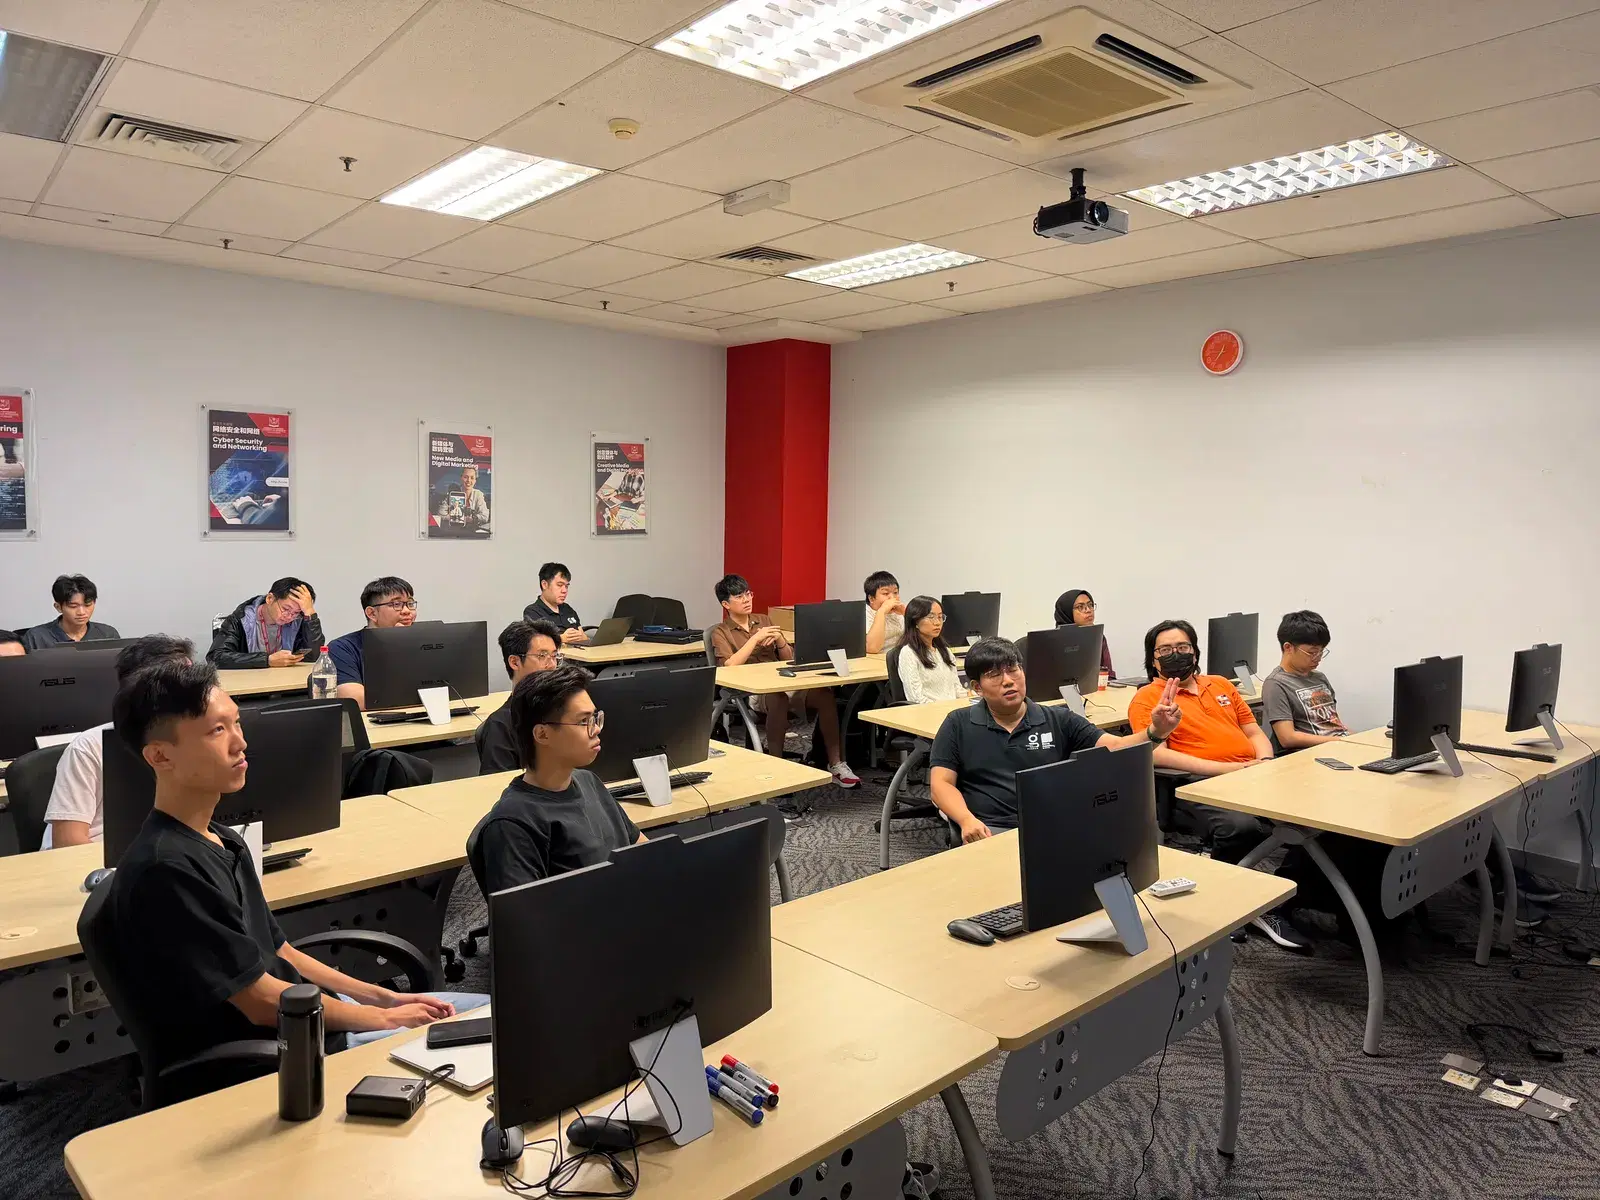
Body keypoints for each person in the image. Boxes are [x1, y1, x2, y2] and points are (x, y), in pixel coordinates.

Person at [96, 659, 484, 1088]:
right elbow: (262, 1002)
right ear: (160, 755)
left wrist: (385, 996)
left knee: (494, 1019)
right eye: (216, 731)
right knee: (493, 1044)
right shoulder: (166, 869)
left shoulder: (223, 839)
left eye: (236, 723)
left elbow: (280, 950)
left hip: (318, 1021)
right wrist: (382, 1018)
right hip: (287, 1054)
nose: (240, 743)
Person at [1128, 619, 1309, 952]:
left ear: (1195, 651)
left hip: (1250, 773)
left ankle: (1276, 893)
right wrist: (1229, 770)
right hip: (1196, 784)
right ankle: (1234, 904)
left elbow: (1255, 732)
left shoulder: (1221, 684)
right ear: (1152, 660)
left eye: (1182, 647)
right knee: (1241, 826)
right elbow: (1158, 756)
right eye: (1164, 650)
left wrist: (1265, 764)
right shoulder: (1147, 699)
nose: (1175, 655)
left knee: (1313, 814)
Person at [930, 636, 1180, 842]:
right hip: (990, 831)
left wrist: (1156, 732)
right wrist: (965, 819)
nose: (1008, 681)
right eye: (994, 675)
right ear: (976, 687)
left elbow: (1115, 747)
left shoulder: (1058, 719)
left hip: (1054, 828)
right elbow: (941, 784)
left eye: (1013, 670)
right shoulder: (958, 723)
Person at [467, 665, 648, 896]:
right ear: (542, 734)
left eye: (595, 718)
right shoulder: (512, 824)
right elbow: (525, 922)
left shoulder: (589, 781)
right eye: (584, 722)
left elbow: (641, 847)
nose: (596, 731)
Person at [42, 635, 195, 850]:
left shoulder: (196, 741)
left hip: (165, 855)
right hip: (95, 861)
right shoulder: (88, 747)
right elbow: (68, 842)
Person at [710, 574, 860, 788]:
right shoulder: (720, 631)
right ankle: (776, 768)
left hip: (783, 681)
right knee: (777, 698)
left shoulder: (763, 620)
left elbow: (789, 659)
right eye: (739, 596)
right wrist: (755, 640)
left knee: (825, 694)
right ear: (726, 603)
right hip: (752, 691)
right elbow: (729, 667)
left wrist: (780, 640)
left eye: (748, 594)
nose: (746, 600)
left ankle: (836, 764)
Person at [475, 619, 564, 774]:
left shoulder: (564, 712)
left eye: (554, 656)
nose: (552, 665)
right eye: (542, 656)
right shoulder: (501, 726)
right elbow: (498, 788)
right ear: (515, 662)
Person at [1262, 610, 1348, 753]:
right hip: (1309, 755)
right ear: (1288, 647)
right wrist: (1339, 742)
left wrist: (1355, 739)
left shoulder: (1319, 678)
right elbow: (1288, 738)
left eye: (1321, 652)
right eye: (1312, 652)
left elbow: (1334, 725)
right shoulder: (1276, 684)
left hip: (1336, 746)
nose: (1318, 658)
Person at [327, 576, 417, 711]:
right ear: (372, 613)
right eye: (396, 604)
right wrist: (425, 699)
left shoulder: (423, 643)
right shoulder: (342, 648)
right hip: (375, 724)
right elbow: (355, 700)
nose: (407, 611)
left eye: (410, 603)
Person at [207, 577, 325, 670]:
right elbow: (216, 657)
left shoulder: (299, 620)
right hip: (249, 687)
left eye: (296, 613)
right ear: (270, 599)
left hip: (286, 683)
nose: (289, 616)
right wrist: (266, 660)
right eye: (286, 609)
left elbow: (313, 656)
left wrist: (310, 613)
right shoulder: (240, 620)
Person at [894, 597, 966, 703]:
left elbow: (957, 690)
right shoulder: (909, 653)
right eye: (931, 617)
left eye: (940, 617)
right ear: (915, 622)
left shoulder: (945, 652)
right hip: (929, 712)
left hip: (951, 711)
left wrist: (973, 696)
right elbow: (916, 698)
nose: (937, 623)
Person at [22, 574, 120, 649]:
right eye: (73, 606)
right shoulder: (36, 637)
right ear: (58, 607)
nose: (81, 612)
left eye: (88, 605)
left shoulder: (108, 635)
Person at [1053, 589, 1114, 679]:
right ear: (1067, 612)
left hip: (1097, 691)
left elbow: (1108, 674)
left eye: (1090, 605)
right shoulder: (1054, 641)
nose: (1088, 610)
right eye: (1080, 607)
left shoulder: (1098, 637)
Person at [523, 562, 587, 645]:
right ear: (544, 585)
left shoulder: (568, 609)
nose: (564, 590)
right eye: (559, 585)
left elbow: (582, 635)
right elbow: (534, 644)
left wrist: (583, 638)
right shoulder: (532, 611)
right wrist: (560, 639)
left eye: (566, 586)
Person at [435, 464, 490, 531]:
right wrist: (455, 518)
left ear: (475, 480)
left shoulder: (478, 494)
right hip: (455, 530)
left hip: (472, 531)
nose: (468, 480)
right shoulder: (453, 493)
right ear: (461, 478)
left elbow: (485, 517)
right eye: (465, 477)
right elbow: (440, 514)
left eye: (472, 478)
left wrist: (471, 519)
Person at [864, 570, 905, 655]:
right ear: (871, 598)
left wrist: (907, 614)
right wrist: (882, 612)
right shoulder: (864, 614)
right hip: (874, 660)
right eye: (886, 593)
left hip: (898, 658)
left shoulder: (898, 612)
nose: (892, 597)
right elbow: (872, 648)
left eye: (895, 592)